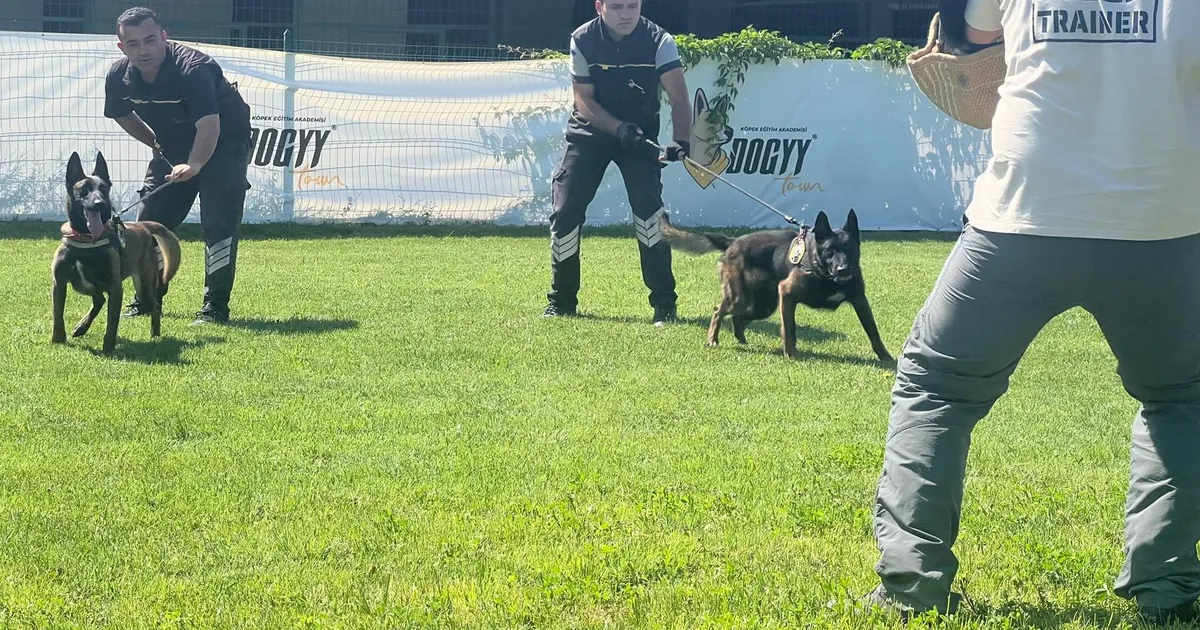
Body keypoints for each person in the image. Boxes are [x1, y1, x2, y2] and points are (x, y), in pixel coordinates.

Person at [867, 0, 1200, 623]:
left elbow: (974, 39)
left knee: (937, 386)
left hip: (1022, 215)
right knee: (1182, 397)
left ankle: (911, 587)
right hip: (1163, 220)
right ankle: (1165, 587)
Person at [542, 0, 692, 326]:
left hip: (639, 141)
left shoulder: (660, 40)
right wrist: (617, 127)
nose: (626, 14)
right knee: (565, 212)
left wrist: (681, 141)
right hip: (589, 136)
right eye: (617, 7)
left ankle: (664, 306)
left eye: (632, 6)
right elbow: (583, 100)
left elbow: (679, 97)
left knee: (650, 216)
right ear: (599, 7)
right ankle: (561, 302)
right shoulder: (582, 39)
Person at [103, 6, 252, 325]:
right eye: (133, 44)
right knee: (150, 223)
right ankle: (147, 300)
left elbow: (210, 125)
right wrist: (155, 142)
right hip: (173, 146)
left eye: (150, 40)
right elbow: (122, 114)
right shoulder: (119, 76)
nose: (143, 50)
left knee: (218, 224)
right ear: (122, 47)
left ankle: (214, 308)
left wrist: (195, 164)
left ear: (164, 37)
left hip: (225, 143)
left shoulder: (193, 68)